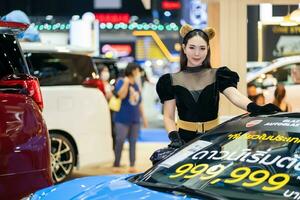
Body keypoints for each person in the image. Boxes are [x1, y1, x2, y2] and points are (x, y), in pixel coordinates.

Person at [151, 24, 281, 164]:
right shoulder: (170, 80)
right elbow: (169, 116)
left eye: (202, 48)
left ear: (208, 49)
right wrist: (174, 137)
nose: (197, 53)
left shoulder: (219, 75)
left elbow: (234, 95)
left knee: (208, 178)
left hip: (212, 138)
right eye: (192, 47)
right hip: (183, 139)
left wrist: (256, 108)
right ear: (184, 48)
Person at [113, 62, 148, 173]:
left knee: (133, 141)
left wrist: (144, 117)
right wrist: (126, 84)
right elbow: (121, 95)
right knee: (120, 140)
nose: (138, 72)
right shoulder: (121, 81)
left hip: (135, 118)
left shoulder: (136, 85)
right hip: (122, 118)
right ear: (133, 70)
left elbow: (139, 102)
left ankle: (132, 164)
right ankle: (116, 164)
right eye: (137, 70)